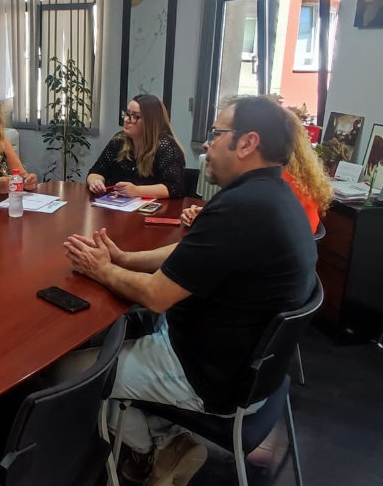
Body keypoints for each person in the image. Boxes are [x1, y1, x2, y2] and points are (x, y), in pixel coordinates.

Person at [63, 96, 317, 485]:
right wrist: (124, 258)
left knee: (69, 373)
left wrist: (101, 269)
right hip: (247, 366)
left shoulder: (241, 208)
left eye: (217, 134)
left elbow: (156, 296)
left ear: (247, 144)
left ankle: (149, 452)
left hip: (205, 375)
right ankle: (168, 444)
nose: (206, 145)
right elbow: (188, 250)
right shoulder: (274, 197)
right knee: (122, 332)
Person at [181, 98, 333, 233]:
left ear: (251, 142)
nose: (207, 145)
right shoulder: (290, 180)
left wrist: (213, 219)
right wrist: (211, 216)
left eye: (216, 134)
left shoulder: (270, 187)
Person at [87, 94, 185, 199]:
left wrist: (136, 191)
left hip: (152, 210)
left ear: (150, 122)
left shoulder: (166, 147)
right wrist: (95, 182)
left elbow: (175, 188)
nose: (126, 120)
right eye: (127, 114)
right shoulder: (119, 140)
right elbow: (96, 171)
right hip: (116, 207)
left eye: (134, 116)